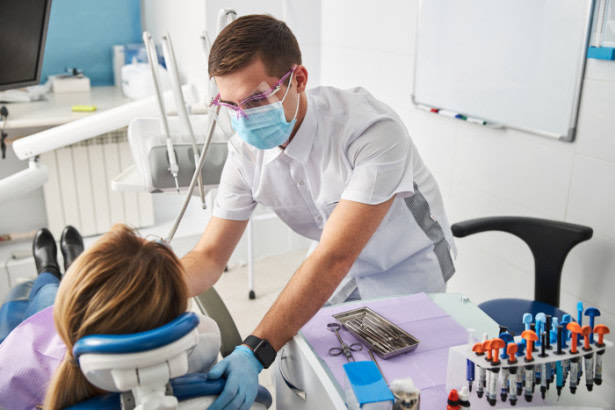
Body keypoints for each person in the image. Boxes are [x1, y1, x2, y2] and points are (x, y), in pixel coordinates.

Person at [181, 14, 457, 410]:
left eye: (256, 99)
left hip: (406, 265)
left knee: (389, 386)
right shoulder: (245, 156)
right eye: (229, 105)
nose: (242, 118)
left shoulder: (369, 131)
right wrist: (147, 293)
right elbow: (208, 256)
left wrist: (254, 349)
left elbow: (334, 257)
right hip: (336, 258)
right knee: (297, 358)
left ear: (298, 80)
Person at [0, 224, 220, 410]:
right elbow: (205, 328)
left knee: (47, 291)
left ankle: (49, 268)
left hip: (57, 329)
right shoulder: (203, 345)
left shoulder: (13, 366)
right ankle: (70, 264)